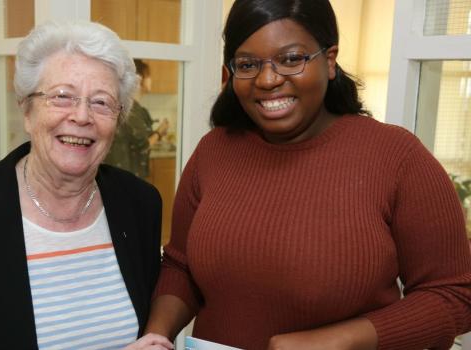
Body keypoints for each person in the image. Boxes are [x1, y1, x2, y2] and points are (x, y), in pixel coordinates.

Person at [140, 0, 471, 349]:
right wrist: (156, 335)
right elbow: (181, 265)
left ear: (329, 61)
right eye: (248, 64)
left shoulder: (397, 157)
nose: (268, 80)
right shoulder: (214, 150)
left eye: (291, 59)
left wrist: (337, 341)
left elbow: (454, 294)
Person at [0, 20, 172, 350]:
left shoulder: (139, 204)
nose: (81, 116)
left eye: (101, 102)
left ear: (118, 120)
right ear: (27, 110)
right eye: (62, 96)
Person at [104, 59, 169, 179]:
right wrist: (159, 132)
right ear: (139, 79)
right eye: (148, 75)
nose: (151, 80)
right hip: (125, 177)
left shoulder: (134, 107)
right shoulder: (131, 110)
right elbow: (143, 145)